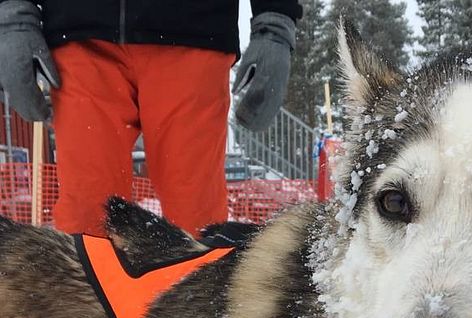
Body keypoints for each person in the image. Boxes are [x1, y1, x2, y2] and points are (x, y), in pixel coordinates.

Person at [0, 0, 302, 236]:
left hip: (193, 34)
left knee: (196, 223)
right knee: (87, 222)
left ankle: (192, 315)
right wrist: (14, 16)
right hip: (80, 39)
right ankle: (90, 315)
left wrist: (275, 21)